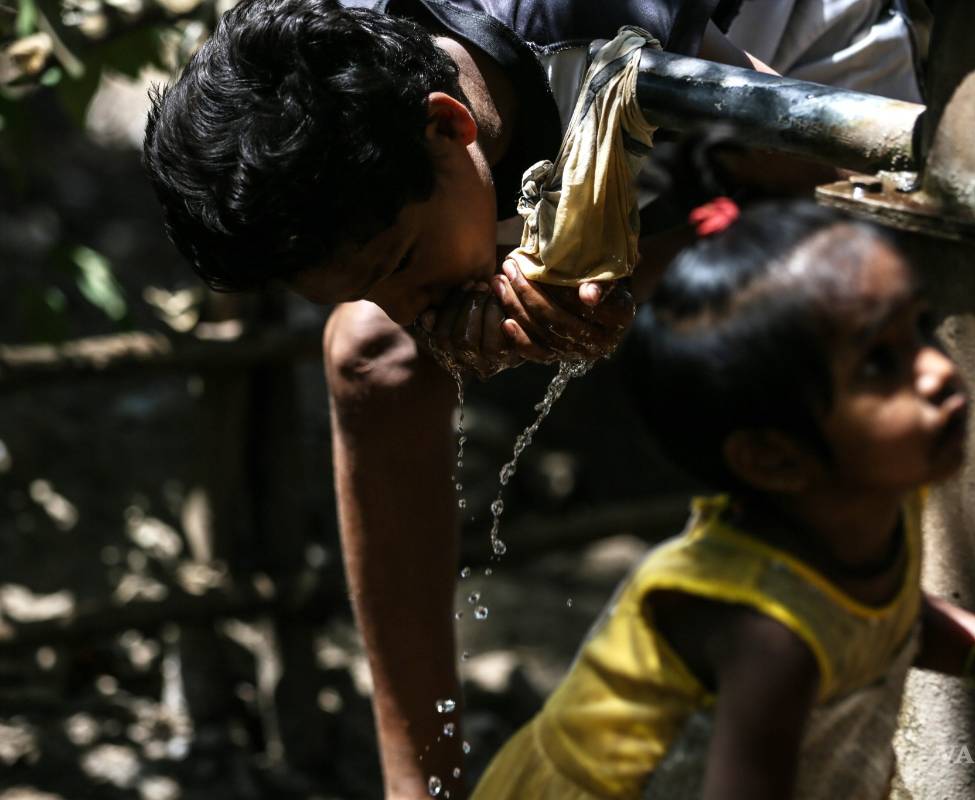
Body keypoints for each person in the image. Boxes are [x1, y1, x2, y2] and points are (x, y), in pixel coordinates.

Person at [141, 0, 788, 796]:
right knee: (371, 351)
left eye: (400, 262)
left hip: (859, 102)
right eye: (368, 287)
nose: (406, 306)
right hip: (700, 155)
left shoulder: (597, 38)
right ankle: (421, 785)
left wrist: (623, 277)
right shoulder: (349, 62)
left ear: (448, 127)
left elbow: (809, 163)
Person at [470, 198, 975, 799]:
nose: (937, 371)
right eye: (880, 365)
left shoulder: (870, 503)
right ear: (775, 457)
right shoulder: (767, 640)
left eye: (919, 330)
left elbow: (880, 611)